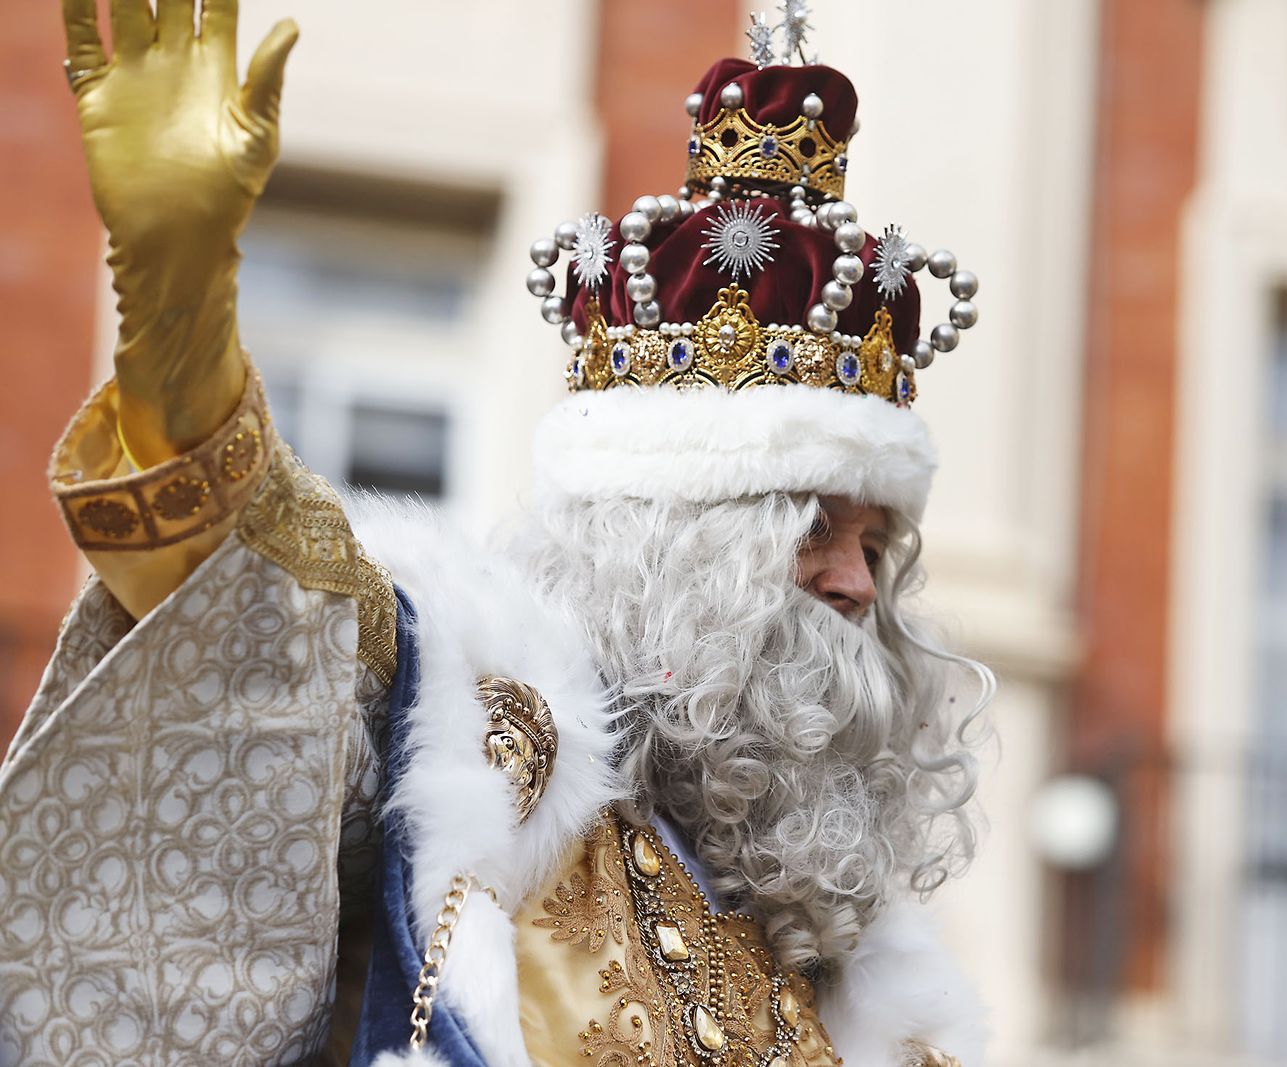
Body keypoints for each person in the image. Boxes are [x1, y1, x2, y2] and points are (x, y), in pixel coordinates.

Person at [0, 2, 994, 1065]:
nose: (855, 583)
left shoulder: (871, 974)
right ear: (672, 558)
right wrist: (180, 323)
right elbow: (255, 615)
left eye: (877, 546)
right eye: (812, 532)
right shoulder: (476, 737)